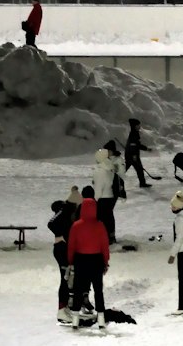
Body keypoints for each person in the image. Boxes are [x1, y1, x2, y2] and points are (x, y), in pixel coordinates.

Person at [65, 196, 110, 332]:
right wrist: (105, 262)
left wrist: (71, 261)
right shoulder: (100, 225)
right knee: (98, 290)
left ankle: (75, 319)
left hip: (80, 260)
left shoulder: (76, 226)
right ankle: (101, 318)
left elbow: (71, 245)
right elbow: (104, 245)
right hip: (96, 260)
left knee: (78, 289)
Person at [48, 192, 78, 320]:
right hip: (62, 249)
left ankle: (66, 306)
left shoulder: (68, 214)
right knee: (65, 278)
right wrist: (63, 237)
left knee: (70, 277)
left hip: (66, 248)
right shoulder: (64, 211)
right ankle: (62, 309)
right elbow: (51, 224)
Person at [92, 142, 125, 243]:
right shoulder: (105, 161)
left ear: (112, 151)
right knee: (106, 214)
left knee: (106, 214)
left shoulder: (118, 160)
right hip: (107, 190)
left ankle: (109, 236)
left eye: (108, 151)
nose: (106, 153)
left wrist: (114, 169)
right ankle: (108, 235)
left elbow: (121, 173)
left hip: (114, 189)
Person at [124, 118, 151, 189]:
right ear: (134, 126)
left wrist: (146, 149)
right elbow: (134, 146)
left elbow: (136, 145)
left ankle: (142, 183)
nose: (139, 126)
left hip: (130, 154)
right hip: (132, 155)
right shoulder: (134, 134)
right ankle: (142, 183)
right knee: (139, 169)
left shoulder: (134, 133)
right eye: (138, 125)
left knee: (125, 169)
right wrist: (134, 156)